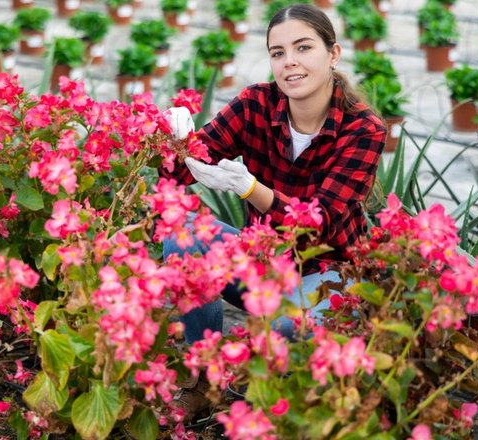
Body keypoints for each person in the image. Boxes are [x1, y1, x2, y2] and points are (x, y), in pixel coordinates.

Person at [163, 3, 386, 421]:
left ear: (332, 54)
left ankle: (251, 391)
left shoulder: (363, 128)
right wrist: (178, 142)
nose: (290, 63)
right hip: (263, 266)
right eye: (278, 52)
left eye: (303, 48)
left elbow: (321, 222)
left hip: (328, 276)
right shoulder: (256, 105)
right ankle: (205, 377)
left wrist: (251, 188)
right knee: (183, 235)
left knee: (283, 327)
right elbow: (180, 172)